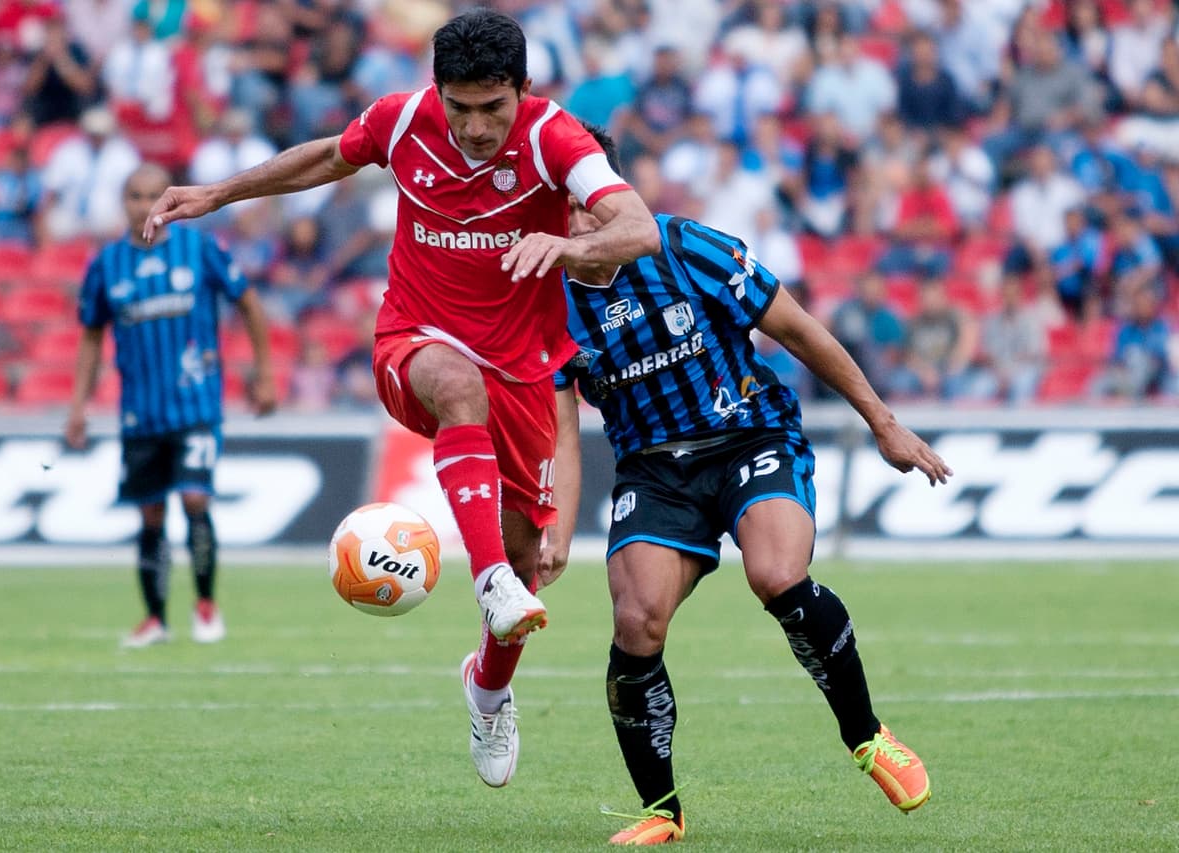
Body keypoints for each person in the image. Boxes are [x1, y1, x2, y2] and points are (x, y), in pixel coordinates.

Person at [141, 8, 658, 787]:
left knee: (530, 563)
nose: (477, 127)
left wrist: (570, 242)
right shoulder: (404, 120)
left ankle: (487, 685)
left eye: (493, 106)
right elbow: (326, 158)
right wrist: (217, 193)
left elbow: (639, 227)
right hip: (413, 343)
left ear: (522, 89)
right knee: (458, 389)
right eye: (461, 107)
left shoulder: (556, 139)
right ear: (437, 92)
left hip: (519, 374)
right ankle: (490, 585)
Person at [542, 126, 951, 845]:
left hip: (750, 438)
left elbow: (800, 331)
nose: (577, 219)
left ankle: (867, 735)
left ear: (614, 193)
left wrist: (884, 424)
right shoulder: (545, 305)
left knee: (776, 574)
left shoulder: (687, 246)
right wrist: (554, 529)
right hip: (654, 466)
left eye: (587, 201)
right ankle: (662, 810)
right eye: (559, 206)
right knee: (636, 621)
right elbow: (564, 432)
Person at [65, 163, 277, 649]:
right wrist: (78, 405)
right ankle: (155, 617)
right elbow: (91, 336)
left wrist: (264, 375)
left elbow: (248, 304)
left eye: (152, 195)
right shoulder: (106, 265)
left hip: (196, 405)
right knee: (150, 516)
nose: (144, 205)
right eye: (135, 196)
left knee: (195, 498)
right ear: (123, 202)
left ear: (169, 199)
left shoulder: (200, 250)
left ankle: (206, 604)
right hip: (140, 412)